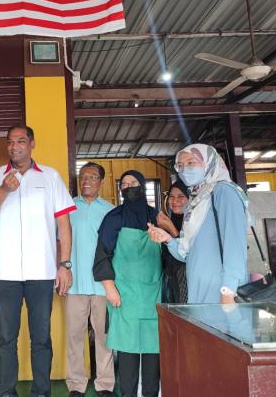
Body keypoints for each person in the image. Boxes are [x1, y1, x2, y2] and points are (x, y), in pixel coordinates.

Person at [0, 124, 76, 397]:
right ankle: (6, 393)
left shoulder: (51, 177)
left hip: (41, 272)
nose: (14, 146)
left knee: (41, 338)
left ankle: (41, 392)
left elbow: (64, 225)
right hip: (4, 272)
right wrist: (3, 190)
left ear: (32, 144)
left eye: (21, 141)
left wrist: (65, 265)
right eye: (10, 141)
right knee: (6, 339)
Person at [148, 143, 249, 304]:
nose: (184, 170)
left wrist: (228, 289)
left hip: (222, 290)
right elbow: (187, 255)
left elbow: (235, 245)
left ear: (209, 162)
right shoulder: (197, 200)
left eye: (191, 163)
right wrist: (167, 239)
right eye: (180, 166)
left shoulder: (223, 192)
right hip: (199, 289)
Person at [93, 171, 160, 397]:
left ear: (143, 186)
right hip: (124, 294)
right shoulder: (114, 217)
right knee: (128, 351)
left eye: (134, 182)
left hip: (153, 294)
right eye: (124, 184)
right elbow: (102, 255)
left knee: (153, 350)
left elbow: (171, 250)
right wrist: (109, 288)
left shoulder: (156, 216)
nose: (129, 186)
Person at [66, 162, 115, 397]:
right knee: (74, 336)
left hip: (102, 285)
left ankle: (105, 384)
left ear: (101, 182)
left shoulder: (110, 210)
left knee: (104, 337)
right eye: (83, 176)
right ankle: (76, 385)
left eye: (93, 177)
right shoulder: (67, 207)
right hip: (74, 283)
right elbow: (58, 241)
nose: (86, 181)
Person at [157, 181, 189, 303]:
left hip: (186, 280)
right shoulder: (166, 222)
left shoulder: (194, 224)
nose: (175, 201)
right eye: (171, 196)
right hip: (169, 280)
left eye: (181, 196)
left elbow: (187, 253)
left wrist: (171, 229)